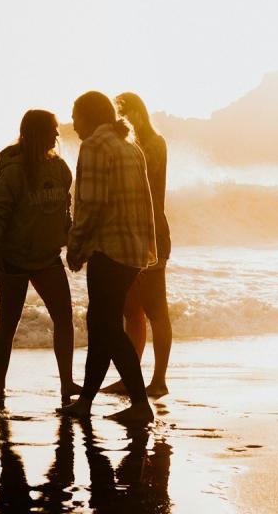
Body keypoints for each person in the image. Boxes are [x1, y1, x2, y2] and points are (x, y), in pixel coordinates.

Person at [56, 91, 157, 424]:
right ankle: (85, 400)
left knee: (106, 326)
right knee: (100, 324)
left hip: (108, 249)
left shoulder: (95, 146)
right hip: (132, 251)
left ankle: (141, 405)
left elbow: (92, 205)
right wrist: (148, 247)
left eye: (76, 116)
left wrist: (76, 247)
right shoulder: (130, 147)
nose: (73, 125)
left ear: (90, 116)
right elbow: (147, 203)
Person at [0, 109, 79, 398]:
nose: (57, 134)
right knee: (9, 322)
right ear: (37, 132)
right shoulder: (13, 172)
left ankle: (66, 383)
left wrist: (70, 240)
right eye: (52, 129)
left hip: (48, 257)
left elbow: (66, 208)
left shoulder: (60, 168)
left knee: (64, 317)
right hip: (13, 257)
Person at [102, 92, 173, 397]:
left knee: (156, 309)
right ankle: (131, 377)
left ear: (137, 114)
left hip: (152, 232)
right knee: (131, 310)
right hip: (128, 233)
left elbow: (146, 185)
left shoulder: (153, 145)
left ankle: (159, 380)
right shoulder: (127, 146)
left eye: (124, 115)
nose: (120, 121)